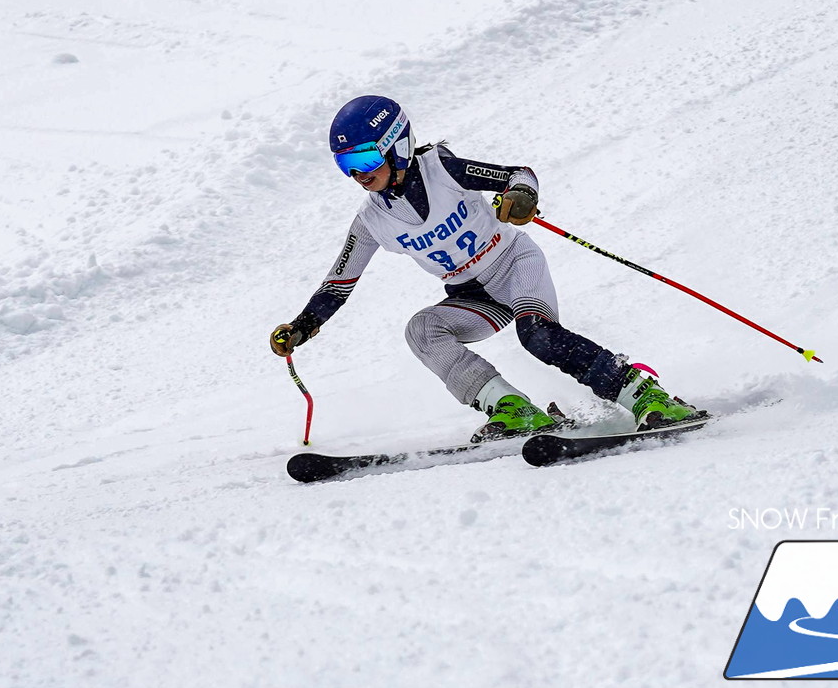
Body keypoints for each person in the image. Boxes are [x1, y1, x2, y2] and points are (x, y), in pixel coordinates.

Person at [269, 94, 700, 442]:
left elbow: (519, 174)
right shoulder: (371, 221)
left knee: (536, 334)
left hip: (513, 265)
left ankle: (645, 396)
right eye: (346, 166)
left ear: (395, 145)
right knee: (421, 330)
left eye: (364, 160)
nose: (357, 175)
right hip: (472, 296)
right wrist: (303, 326)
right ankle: (513, 409)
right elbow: (338, 284)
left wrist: (521, 197)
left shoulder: (442, 168)